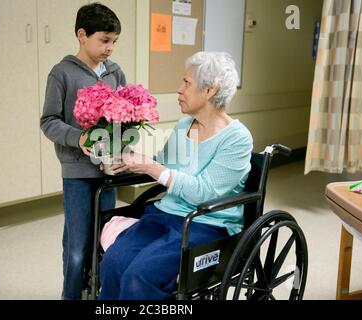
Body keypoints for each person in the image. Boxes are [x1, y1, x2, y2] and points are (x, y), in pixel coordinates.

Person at [98, 51, 253, 300]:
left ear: (210, 90)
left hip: (205, 225)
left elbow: (206, 192)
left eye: (187, 83)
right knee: (113, 263)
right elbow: (166, 165)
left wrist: (152, 168)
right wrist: (133, 161)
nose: (179, 89)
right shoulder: (184, 125)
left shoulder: (237, 138)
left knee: (139, 277)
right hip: (165, 214)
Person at [40, 3, 126, 300]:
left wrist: (123, 147)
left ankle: (100, 295)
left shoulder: (116, 73)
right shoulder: (62, 73)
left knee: (106, 240)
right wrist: (80, 139)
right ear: (81, 35)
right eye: (104, 40)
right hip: (77, 175)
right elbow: (48, 122)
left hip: (109, 174)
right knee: (77, 247)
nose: (110, 48)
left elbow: (124, 119)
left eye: (114, 41)